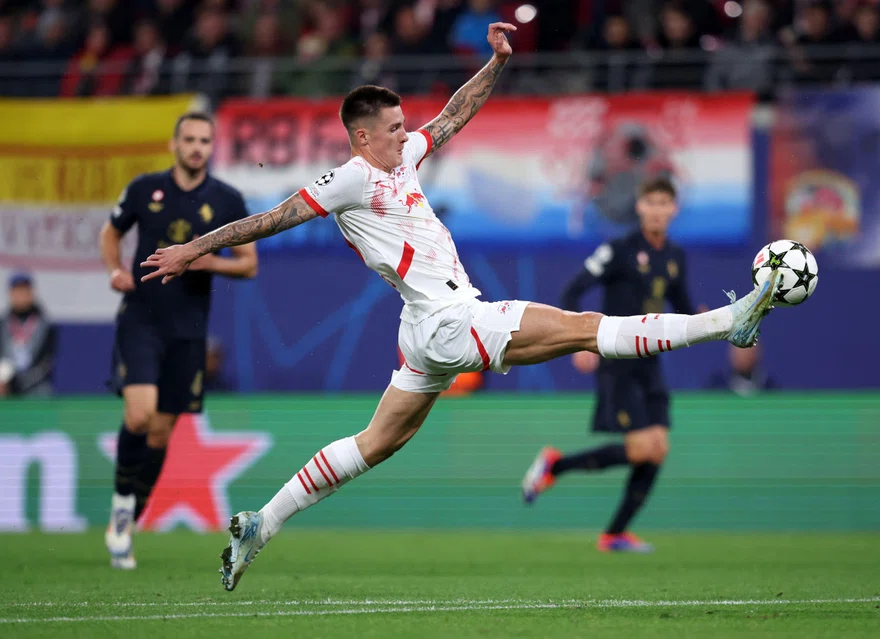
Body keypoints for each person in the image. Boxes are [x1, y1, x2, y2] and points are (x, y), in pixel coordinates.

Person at [139, 23, 783, 592]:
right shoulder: (353, 177)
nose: (406, 135)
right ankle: (732, 321)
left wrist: (496, 64)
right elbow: (272, 218)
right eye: (392, 129)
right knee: (588, 330)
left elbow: (451, 116)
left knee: (376, 443)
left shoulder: (402, 159)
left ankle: (261, 523)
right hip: (449, 322)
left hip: (426, 330)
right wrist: (191, 249)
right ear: (361, 136)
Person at [99, 112, 258, 570]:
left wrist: (210, 263)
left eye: (204, 140)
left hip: (188, 331)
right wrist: (114, 268)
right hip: (141, 319)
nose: (196, 147)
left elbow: (249, 264)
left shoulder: (226, 200)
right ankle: (123, 507)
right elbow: (110, 232)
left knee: (162, 431)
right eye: (188, 139)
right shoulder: (144, 190)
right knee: (140, 413)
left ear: (212, 147)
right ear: (174, 144)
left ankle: (126, 521)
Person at [520, 178, 699, 553]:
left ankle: (614, 533)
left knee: (658, 448)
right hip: (617, 358)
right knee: (640, 449)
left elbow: (682, 306)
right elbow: (573, 289)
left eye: (664, 202)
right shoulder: (618, 249)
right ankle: (555, 467)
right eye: (650, 201)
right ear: (639, 207)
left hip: (650, 362)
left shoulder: (675, 256)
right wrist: (578, 340)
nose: (657, 209)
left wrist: (713, 321)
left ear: (673, 209)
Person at [0, 272, 57, 398]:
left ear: (32, 293)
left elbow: (46, 364)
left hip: (36, 388)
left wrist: (17, 385)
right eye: (17, 291)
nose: (20, 296)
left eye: (24, 291)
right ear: (10, 294)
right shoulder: (3, 324)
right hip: (5, 388)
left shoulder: (45, 325)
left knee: (43, 394)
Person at [705, 342, 778, 395]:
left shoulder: (769, 388)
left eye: (748, 350)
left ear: (757, 353)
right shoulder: (716, 387)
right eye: (740, 350)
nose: (744, 355)